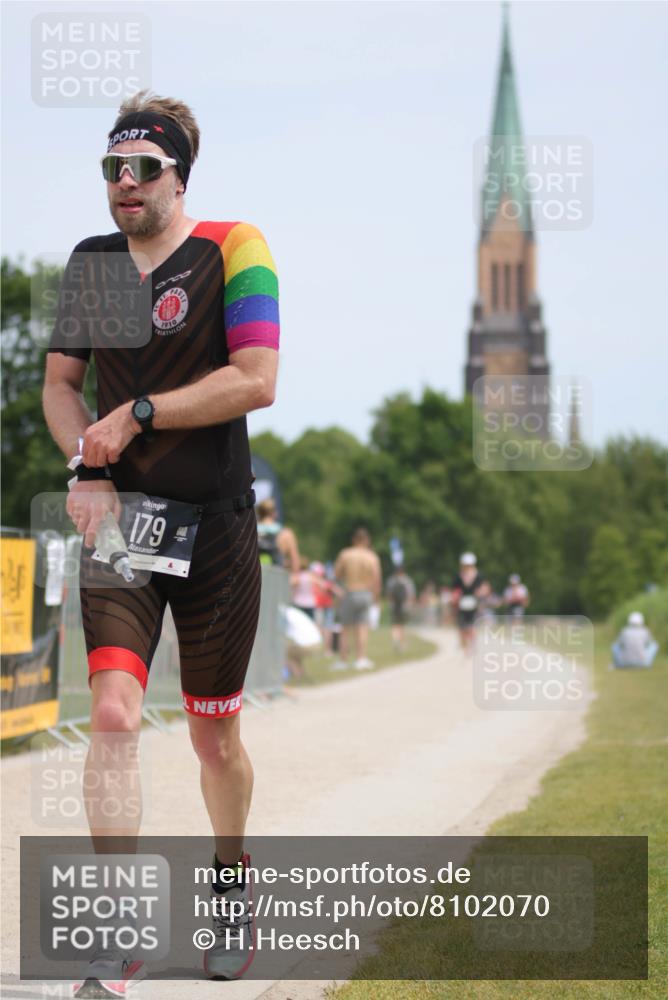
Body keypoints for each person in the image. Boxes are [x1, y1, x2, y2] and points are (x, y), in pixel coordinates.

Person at [42, 90, 280, 990]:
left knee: (213, 739)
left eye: (145, 167)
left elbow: (256, 380)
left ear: (180, 176)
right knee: (110, 714)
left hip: (216, 525)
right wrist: (87, 465)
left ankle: (230, 881)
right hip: (124, 525)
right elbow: (61, 388)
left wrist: (138, 414)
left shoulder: (234, 247)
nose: (126, 182)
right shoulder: (94, 265)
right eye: (113, 167)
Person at [334, 528, 382, 669]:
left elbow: (337, 574)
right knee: (362, 628)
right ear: (367, 541)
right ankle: (360, 659)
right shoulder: (372, 557)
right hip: (365, 593)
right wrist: (376, 598)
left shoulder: (345, 554)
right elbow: (377, 580)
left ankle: (343, 661)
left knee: (345, 629)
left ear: (354, 540)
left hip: (350, 592)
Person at [451, 552, 490, 654]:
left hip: (474, 604)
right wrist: (455, 598)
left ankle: (472, 645)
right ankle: (465, 646)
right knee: (462, 627)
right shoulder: (458, 576)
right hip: (461, 604)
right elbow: (455, 590)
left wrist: (481, 593)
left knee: (472, 626)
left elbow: (485, 588)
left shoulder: (479, 575)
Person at [256, 497, 299, 572]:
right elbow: (295, 561)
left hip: (257, 577)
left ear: (259, 513)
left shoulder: (252, 533)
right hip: (278, 576)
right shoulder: (286, 534)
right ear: (275, 513)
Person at [385, 565, 416, 651]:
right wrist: (410, 605)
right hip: (404, 606)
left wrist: (390, 603)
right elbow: (411, 594)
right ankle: (402, 643)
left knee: (394, 624)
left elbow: (388, 594)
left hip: (394, 606)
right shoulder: (407, 580)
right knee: (402, 625)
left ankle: (395, 640)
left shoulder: (391, 580)